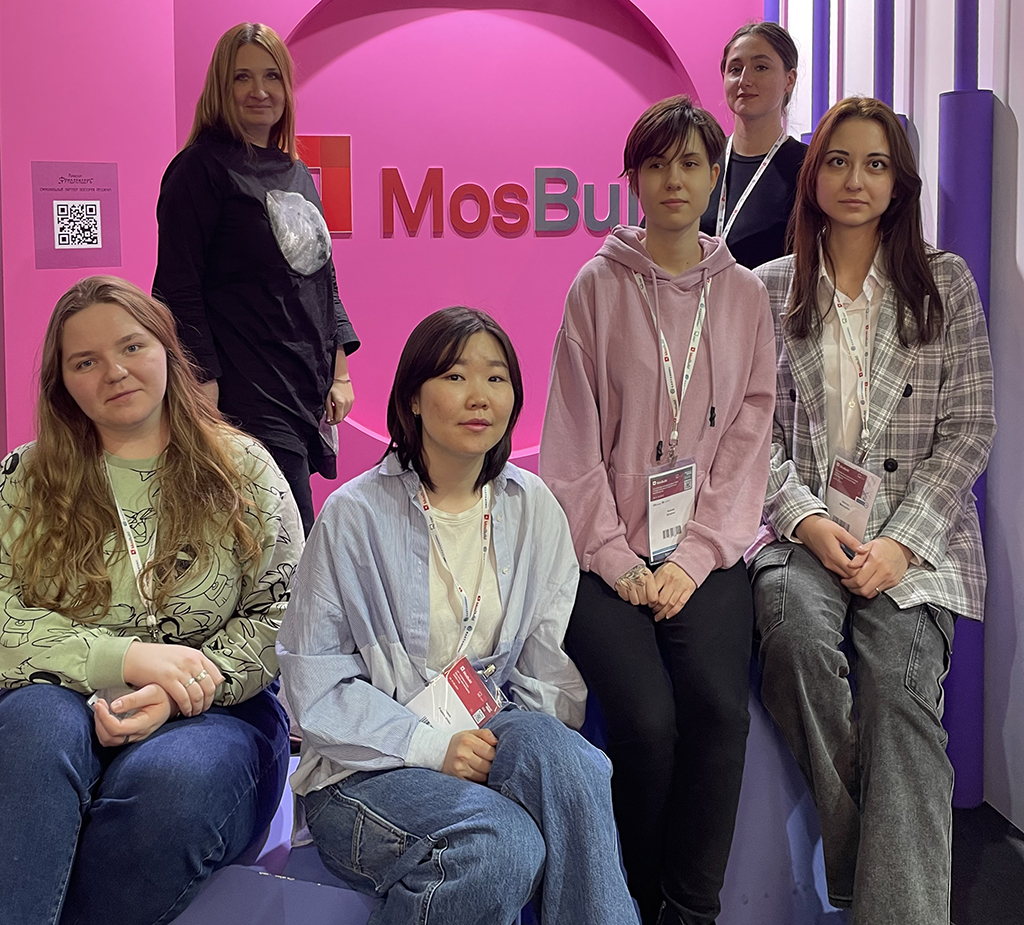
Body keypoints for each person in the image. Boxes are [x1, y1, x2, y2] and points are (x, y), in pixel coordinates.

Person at [278, 307, 639, 925]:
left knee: (564, 755)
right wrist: (431, 746)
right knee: (501, 844)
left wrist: (507, 762)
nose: (480, 397)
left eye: (497, 378)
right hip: (364, 771)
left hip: (486, 740)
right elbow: (316, 685)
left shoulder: (533, 508)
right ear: (412, 400)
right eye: (454, 376)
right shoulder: (355, 517)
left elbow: (547, 671)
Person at [749, 97, 995, 924]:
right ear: (813, 174)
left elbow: (969, 429)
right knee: (795, 638)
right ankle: (872, 876)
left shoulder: (945, 283)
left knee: (897, 691)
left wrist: (901, 544)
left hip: (914, 541)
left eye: (877, 163)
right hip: (800, 529)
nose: (856, 179)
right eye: (839, 160)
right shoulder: (767, 288)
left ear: (900, 183)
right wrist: (807, 519)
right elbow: (750, 435)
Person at [539, 96, 776, 925]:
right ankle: (630, 900)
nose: (674, 179)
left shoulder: (744, 295)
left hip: (703, 555)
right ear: (633, 179)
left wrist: (697, 553)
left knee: (718, 708)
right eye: (656, 164)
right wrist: (616, 560)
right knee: (644, 721)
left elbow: (750, 432)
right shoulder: (596, 287)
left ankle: (691, 909)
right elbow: (570, 446)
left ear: (714, 177)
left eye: (690, 163)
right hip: (603, 557)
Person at [0, 276, 301, 925]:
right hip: (60, 694)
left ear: (166, 347)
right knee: (31, 731)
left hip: (219, 710)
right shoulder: (24, 478)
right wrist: (124, 659)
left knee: (170, 784)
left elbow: (285, 613)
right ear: (63, 383)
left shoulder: (244, 468)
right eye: (85, 361)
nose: (114, 371)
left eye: (132, 346)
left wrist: (182, 686)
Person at [154, 22, 359, 535]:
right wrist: (203, 386)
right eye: (242, 77)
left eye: (271, 76)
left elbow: (322, 278)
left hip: (301, 384)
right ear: (221, 87)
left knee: (283, 537)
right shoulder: (198, 170)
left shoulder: (295, 171)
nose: (259, 91)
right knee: (288, 541)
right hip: (245, 391)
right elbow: (177, 289)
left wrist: (339, 373)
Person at [699, 21, 807, 269]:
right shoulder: (698, 160)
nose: (745, 80)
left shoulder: (810, 169)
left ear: (789, 79)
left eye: (761, 67)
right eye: (735, 69)